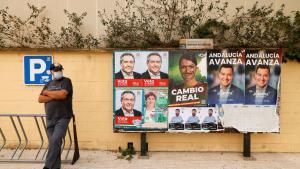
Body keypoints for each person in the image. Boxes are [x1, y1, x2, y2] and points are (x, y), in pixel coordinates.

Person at [38, 62, 73, 169]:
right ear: (51, 72)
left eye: (60, 70)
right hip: (50, 118)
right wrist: (55, 95)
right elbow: (40, 99)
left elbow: (63, 95)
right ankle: (56, 167)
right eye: (56, 70)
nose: (59, 72)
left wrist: (48, 93)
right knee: (54, 144)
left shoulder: (66, 81)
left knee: (55, 140)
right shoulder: (48, 83)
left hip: (63, 117)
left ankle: (47, 167)